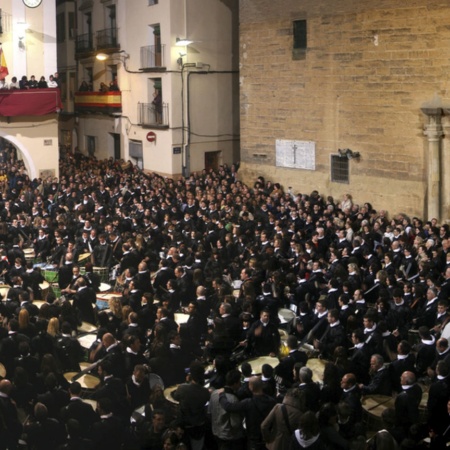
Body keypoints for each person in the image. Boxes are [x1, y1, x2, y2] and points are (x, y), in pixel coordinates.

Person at [219, 375, 276, 450]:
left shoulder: (248, 403)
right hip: (269, 438)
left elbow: (228, 407)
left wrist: (221, 395)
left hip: (254, 441)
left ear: (251, 388)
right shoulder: (272, 401)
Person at [209, 369, 245, 450]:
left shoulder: (214, 394)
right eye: (239, 382)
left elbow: (210, 412)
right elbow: (235, 424)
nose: (240, 384)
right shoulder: (233, 399)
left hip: (216, 433)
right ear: (235, 383)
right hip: (229, 437)